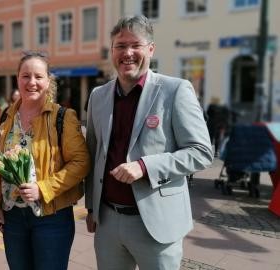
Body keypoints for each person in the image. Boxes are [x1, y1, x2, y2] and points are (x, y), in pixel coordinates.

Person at [85, 15, 213, 269]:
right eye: (120, 46)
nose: (128, 53)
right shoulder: (98, 95)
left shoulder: (175, 90)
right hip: (108, 221)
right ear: (112, 51)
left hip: (157, 224)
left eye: (136, 45)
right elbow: (93, 152)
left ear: (151, 49)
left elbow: (201, 152)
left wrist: (145, 166)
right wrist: (91, 208)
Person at [0, 52, 90, 270]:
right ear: (17, 78)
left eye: (38, 76)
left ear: (48, 81)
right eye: (25, 76)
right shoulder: (5, 116)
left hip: (51, 217)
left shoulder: (63, 116)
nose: (32, 82)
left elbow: (81, 162)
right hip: (12, 216)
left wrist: (43, 188)